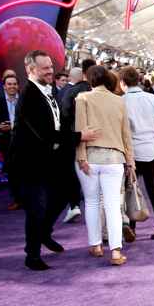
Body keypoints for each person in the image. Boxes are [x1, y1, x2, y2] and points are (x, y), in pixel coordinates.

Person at [10, 50, 73, 271]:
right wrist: (78, 136)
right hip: (30, 162)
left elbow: (58, 123)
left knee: (66, 194)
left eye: (50, 66)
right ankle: (32, 254)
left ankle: (44, 232)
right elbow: (44, 133)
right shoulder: (28, 95)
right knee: (36, 207)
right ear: (30, 70)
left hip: (52, 158)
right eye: (45, 68)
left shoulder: (50, 90)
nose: (50, 71)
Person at [74, 65, 134, 266]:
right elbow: (126, 135)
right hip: (115, 159)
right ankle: (116, 252)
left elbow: (80, 130)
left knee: (91, 202)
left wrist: (81, 157)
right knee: (112, 205)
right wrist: (131, 163)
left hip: (89, 157)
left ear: (89, 79)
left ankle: (96, 245)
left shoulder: (82, 98)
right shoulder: (119, 101)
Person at [119, 65, 154, 241]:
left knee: (129, 188)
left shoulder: (121, 101)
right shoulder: (152, 98)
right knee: (153, 187)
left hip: (131, 151)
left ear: (122, 82)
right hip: (151, 148)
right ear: (139, 80)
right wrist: (151, 130)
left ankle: (130, 226)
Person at [59, 58, 97, 224]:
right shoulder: (103, 91)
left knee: (75, 172)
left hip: (78, 137)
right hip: (99, 138)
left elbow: (64, 114)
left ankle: (75, 204)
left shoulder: (71, 92)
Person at [0, 72, 21, 209]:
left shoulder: (25, 100)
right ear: (4, 86)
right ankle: (17, 199)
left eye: (14, 84)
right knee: (13, 172)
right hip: (7, 143)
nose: (12, 86)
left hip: (24, 142)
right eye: (9, 84)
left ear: (18, 86)